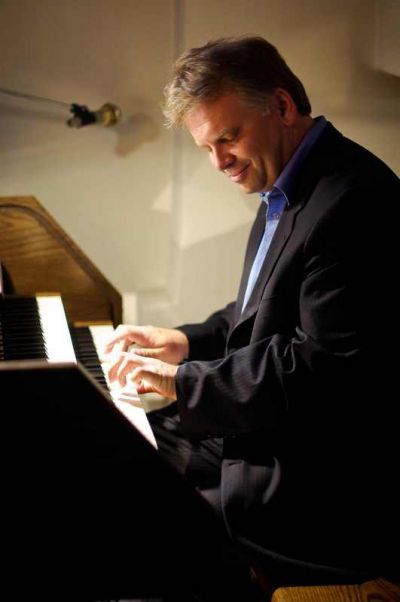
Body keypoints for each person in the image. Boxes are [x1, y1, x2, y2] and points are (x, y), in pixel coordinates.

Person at [105, 36, 399, 596]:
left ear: (282, 106)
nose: (219, 162)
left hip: (325, 484)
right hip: (281, 432)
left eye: (228, 138)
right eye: (206, 147)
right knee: (117, 443)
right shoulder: (289, 181)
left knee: (137, 525)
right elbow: (260, 313)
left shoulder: (352, 200)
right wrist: (183, 343)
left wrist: (182, 382)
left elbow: (318, 367)